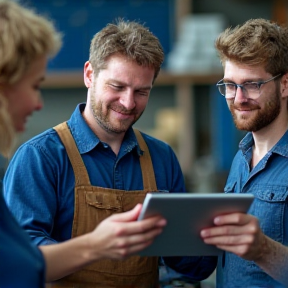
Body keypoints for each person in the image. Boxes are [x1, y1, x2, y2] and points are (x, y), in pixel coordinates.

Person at [3, 16, 217, 288]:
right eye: (117, 87)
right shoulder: (40, 157)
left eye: (141, 91)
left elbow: (190, 267)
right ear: (89, 74)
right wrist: (97, 246)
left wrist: (204, 240)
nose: (128, 102)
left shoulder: (162, 157)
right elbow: (20, 262)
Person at [200, 18, 288, 287]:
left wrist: (263, 250)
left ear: (284, 85)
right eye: (229, 85)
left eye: (252, 85)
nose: (238, 98)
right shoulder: (242, 156)